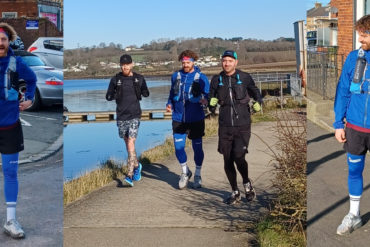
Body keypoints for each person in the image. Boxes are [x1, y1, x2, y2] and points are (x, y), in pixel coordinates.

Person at [209, 50, 262, 205]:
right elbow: (211, 96)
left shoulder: (245, 77)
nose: (227, 63)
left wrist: (259, 102)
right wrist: (211, 104)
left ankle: (247, 184)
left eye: (230, 60)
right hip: (225, 125)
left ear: (236, 62)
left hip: (242, 124)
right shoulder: (216, 79)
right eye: (224, 60)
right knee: (227, 159)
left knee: (239, 156)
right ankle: (234, 191)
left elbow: (256, 93)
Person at [334, 14, 370, 235]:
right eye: (359, 35)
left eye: (364, 35)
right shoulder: (354, 58)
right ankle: (354, 214)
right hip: (355, 128)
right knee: (354, 170)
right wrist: (339, 123)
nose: (360, 40)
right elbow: (343, 90)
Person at [0, 23, 37, 238]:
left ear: (8, 41)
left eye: (3, 39)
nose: (0, 43)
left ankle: (10, 221)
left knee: (11, 173)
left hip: (10, 125)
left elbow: (31, 79)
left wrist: (29, 98)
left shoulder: (17, 62)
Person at [166, 50, 210, 189]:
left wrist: (206, 101)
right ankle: (185, 172)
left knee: (198, 149)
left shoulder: (201, 77)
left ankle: (197, 174)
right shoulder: (175, 76)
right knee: (178, 148)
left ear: (193, 62)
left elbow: (208, 96)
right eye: (183, 62)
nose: (185, 64)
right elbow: (171, 93)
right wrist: (169, 104)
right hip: (178, 117)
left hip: (196, 118)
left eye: (188, 62)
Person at [106, 54, 149, 186]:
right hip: (121, 116)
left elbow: (146, 93)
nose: (125, 66)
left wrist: (143, 91)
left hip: (135, 115)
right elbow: (108, 96)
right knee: (128, 144)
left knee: (131, 142)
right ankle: (137, 166)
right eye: (122, 64)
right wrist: (113, 95)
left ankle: (129, 175)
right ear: (120, 65)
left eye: (127, 64)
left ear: (132, 64)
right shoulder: (115, 80)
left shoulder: (139, 78)